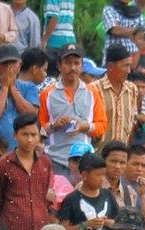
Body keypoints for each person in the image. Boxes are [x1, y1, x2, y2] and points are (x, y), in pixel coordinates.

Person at [38, 45, 105, 174]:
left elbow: (101, 125)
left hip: (84, 160)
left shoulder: (93, 92)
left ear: (81, 66)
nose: (73, 68)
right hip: (54, 160)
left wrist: (85, 126)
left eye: (76, 63)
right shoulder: (47, 93)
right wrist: (54, 125)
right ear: (59, 65)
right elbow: (40, 130)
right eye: (67, 63)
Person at [0, 45, 39, 149]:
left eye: (13, 63)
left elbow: (31, 116)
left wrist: (13, 88)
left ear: (20, 64)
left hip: (23, 149)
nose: (9, 67)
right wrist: (4, 87)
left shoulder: (29, 87)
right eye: (4, 64)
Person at [96, 45, 139, 147]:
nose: (129, 71)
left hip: (122, 156)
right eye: (125, 66)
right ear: (110, 66)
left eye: (129, 66)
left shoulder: (132, 89)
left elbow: (130, 124)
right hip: (99, 156)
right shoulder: (94, 89)